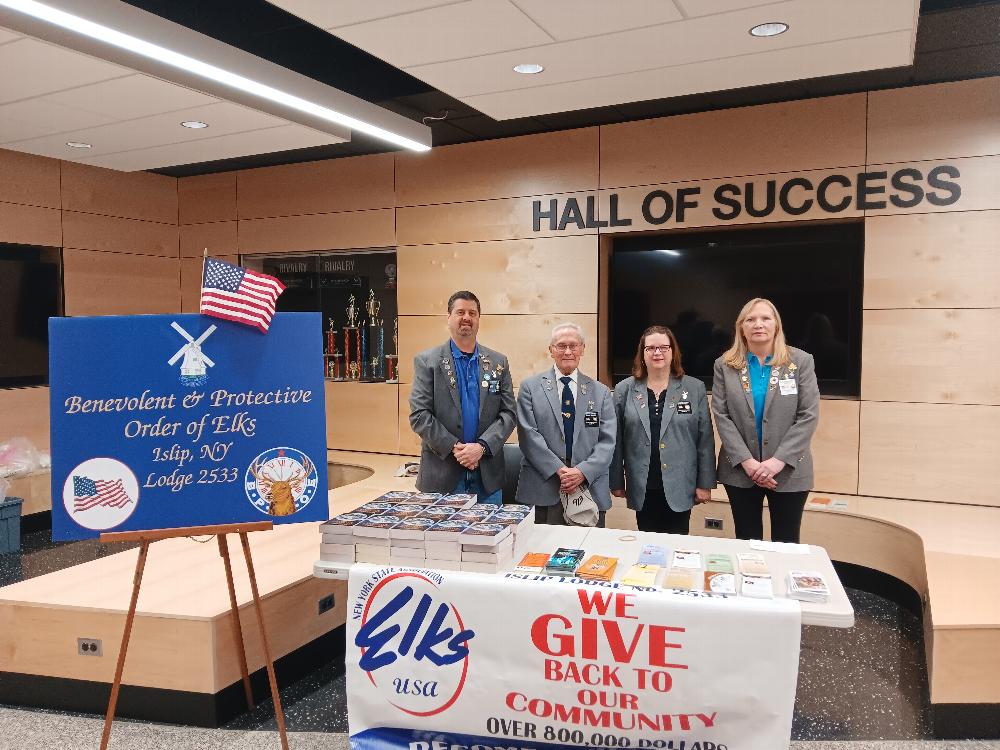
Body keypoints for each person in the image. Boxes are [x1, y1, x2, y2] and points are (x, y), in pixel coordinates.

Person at [712, 298, 820, 543]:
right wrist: (748, 463)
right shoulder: (724, 365)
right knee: (747, 539)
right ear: (741, 327)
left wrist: (777, 461)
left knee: (787, 540)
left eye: (765, 318)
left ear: (776, 325)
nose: (758, 324)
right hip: (740, 470)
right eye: (750, 319)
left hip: (789, 469)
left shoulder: (800, 361)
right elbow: (722, 415)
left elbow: (808, 415)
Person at [409, 291, 515, 504]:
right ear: (448, 317)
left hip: (487, 478)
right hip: (442, 475)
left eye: (472, 313)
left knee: (489, 536)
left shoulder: (498, 362)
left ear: (478, 320)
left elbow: (509, 413)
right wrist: (455, 448)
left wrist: (481, 447)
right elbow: (419, 415)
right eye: (460, 312)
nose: (466, 317)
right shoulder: (427, 362)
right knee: (441, 537)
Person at [610, 326, 715, 535]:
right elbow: (616, 440)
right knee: (647, 547)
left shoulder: (694, 388)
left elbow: (705, 438)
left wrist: (705, 483)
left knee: (677, 546)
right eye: (650, 348)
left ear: (672, 351)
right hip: (642, 484)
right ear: (642, 354)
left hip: (681, 484)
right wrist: (616, 481)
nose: (657, 353)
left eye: (663, 347)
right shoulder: (624, 389)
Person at [515, 323, 616, 526]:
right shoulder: (530, 388)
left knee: (589, 554)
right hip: (543, 488)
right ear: (551, 350)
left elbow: (607, 442)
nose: (568, 351)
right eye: (561, 346)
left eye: (573, 345)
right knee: (539, 555)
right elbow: (528, 435)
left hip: (589, 490)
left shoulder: (601, 392)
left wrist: (581, 472)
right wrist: (559, 470)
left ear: (582, 349)